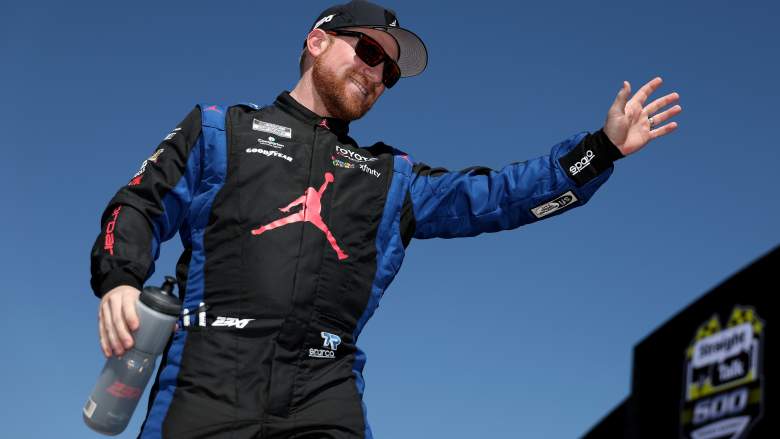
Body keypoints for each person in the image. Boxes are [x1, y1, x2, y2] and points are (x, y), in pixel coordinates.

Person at [89, 1, 682, 438]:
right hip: (207, 375)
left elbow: (501, 197)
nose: (376, 74)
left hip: (323, 389)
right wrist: (120, 277)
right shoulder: (221, 130)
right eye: (369, 52)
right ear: (318, 41)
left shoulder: (390, 176)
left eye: (389, 73)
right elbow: (138, 203)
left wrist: (599, 150)